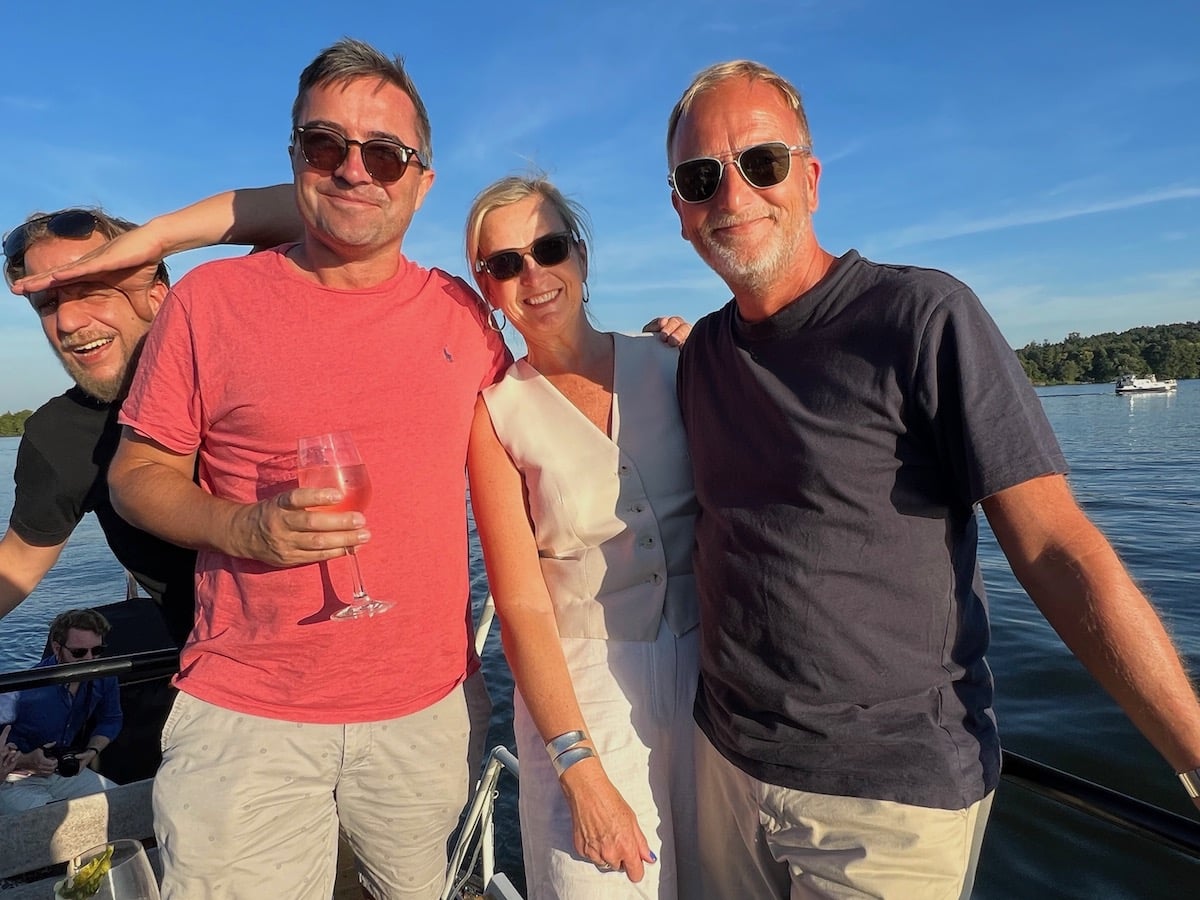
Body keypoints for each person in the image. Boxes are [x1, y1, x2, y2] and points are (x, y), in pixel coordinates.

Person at [664, 60, 1200, 900]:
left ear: (810, 180)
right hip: (726, 767)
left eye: (761, 163)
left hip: (888, 798)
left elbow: (1057, 548)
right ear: (680, 212)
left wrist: (1193, 752)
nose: (733, 195)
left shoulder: (920, 318)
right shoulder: (701, 355)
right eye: (702, 178)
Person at [105, 39, 511, 900]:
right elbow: (135, 475)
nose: (355, 170)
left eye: (386, 154)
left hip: (425, 712)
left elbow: (543, 415)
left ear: (422, 182)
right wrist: (241, 526)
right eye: (326, 145)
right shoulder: (209, 302)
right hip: (248, 717)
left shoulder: (462, 314)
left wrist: (667, 350)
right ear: (294, 159)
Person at [464, 175, 698, 899]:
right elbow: (522, 605)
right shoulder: (496, 415)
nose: (532, 274)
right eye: (505, 264)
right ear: (488, 288)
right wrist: (580, 768)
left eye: (548, 248)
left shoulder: (679, 363)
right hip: (582, 696)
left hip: (712, 686)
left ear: (582, 256)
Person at [1, 208, 196, 647]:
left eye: (90, 290)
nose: (67, 322)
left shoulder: (243, 370)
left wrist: (162, 236)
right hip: (224, 671)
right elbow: (16, 564)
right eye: (48, 304)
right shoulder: (60, 435)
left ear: (156, 296)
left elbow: (312, 217)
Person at [0, 608, 121, 812]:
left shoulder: (104, 676)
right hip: (14, 778)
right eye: (79, 653)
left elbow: (111, 719)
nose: (90, 659)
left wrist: (91, 751)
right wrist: (26, 760)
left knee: (123, 804)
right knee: (51, 820)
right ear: (57, 648)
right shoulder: (22, 691)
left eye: (97, 650)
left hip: (63, 771)